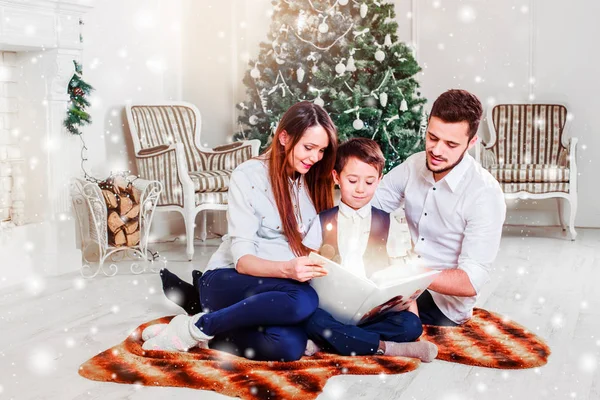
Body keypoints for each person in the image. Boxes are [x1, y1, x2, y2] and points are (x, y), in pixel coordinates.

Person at [141, 101, 338, 361]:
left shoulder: (311, 180)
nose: (315, 157)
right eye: (309, 147)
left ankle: (200, 332)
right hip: (229, 279)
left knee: (288, 346)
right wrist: (288, 269)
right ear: (284, 137)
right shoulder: (248, 176)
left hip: (276, 290)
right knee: (303, 299)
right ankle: (197, 328)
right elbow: (244, 262)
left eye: (322, 150)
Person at [372, 89, 506, 326]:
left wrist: (413, 274)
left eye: (451, 144)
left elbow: (471, 281)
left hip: (444, 306)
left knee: (360, 315)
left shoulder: (485, 193)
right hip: (407, 285)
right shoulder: (414, 164)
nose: (436, 150)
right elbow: (372, 206)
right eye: (432, 137)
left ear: (471, 143)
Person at [301, 138, 438, 362]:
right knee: (309, 318)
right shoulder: (321, 221)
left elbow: (401, 274)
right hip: (330, 309)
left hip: (372, 314)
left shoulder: (389, 222)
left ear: (380, 180)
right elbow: (305, 268)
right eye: (352, 180)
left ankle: (329, 340)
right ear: (336, 177)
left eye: (369, 182)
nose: (360, 189)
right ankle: (389, 348)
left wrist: (412, 312)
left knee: (411, 325)